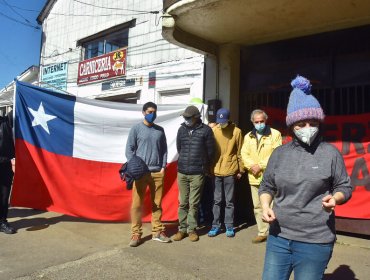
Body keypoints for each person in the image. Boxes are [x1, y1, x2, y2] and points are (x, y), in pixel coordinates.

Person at [259, 75, 353, 280]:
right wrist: (266, 206)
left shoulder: (330, 153)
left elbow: (344, 186)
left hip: (315, 241)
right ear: (292, 125)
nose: (307, 128)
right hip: (279, 238)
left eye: (313, 122)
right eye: (301, 123)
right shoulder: (279, 154)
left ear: (320, 122)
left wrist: (335, 198)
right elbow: (266, 186)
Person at [125, 102, 170, 247]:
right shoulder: (136, 129)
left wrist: (163, 166)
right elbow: (129, 150)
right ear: (143, 112)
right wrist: (134, 167)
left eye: (155, 112)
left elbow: (164, 150)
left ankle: (157, 231)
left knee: (157, 204)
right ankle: (136, 234)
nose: (153, 114)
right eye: (150, 111)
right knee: (137, 205)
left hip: (157, 172)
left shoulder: (160, 130)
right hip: (141, 174)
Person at [173, 105, 215, 242]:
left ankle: (191, 229)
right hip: (182, 171)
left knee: (194, 203)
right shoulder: (181, 129)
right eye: (184, 117)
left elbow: (210, 151)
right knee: (183, 202)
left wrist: (203, 165)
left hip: (198, 172)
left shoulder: (206, 130)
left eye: (188, 117)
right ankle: (182, 229)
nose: (185, 119)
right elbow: (179, 148)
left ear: (196, 117)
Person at [241, 109, 282, 243]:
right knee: (258, 206)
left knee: (274, 205)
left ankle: (275, 232)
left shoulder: (275, 134)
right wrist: (252, 166)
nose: (259, 124)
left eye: (261, 121)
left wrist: (261, 165)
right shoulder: (248, 136)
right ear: (252, 122)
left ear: (266, 120)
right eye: (256, 122)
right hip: (254, 176)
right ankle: (262, 232)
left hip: (270, 176)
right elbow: (244, 154)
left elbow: (277, 153)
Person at [208, 108, 244, 238]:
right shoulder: (214, 131)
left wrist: (241, 169)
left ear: (228, 119)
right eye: (219, 121)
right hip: (216, 170)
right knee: (217, 200)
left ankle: (229, 226)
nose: (221, 123)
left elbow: (240, 152)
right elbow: (210, 152)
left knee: (229, 201)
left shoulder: (237, 131)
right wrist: (209, 169)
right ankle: (215, 225)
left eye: (223, 121)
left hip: (230, 170)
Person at [0, 110, 16, 234]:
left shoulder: (6, 121)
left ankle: (2, 221)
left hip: (5, 165)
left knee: (4, 197)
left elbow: (17, 109)